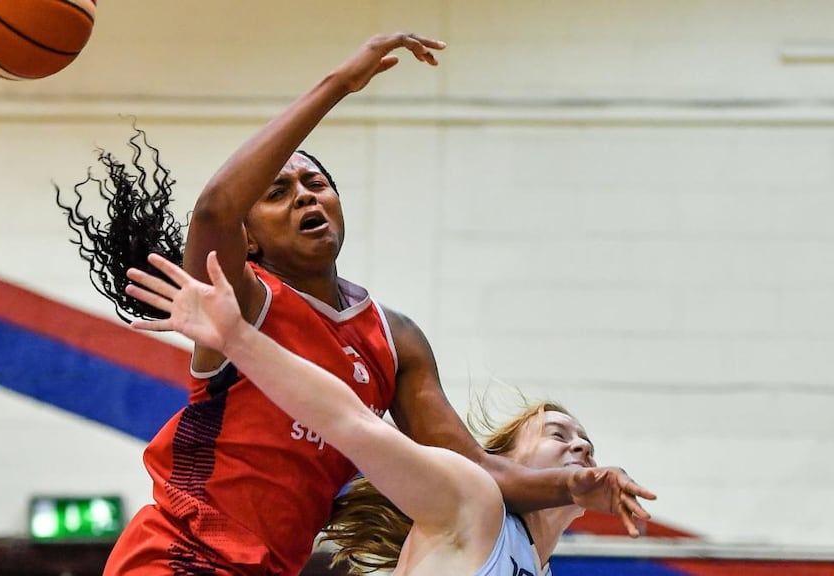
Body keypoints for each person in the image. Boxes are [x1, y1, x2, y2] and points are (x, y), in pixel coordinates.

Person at [57, 32, 655, 576]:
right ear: (250, 238)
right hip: (181, 552)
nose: (304, 197)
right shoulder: (236, 298)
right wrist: (339, 84)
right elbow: (214, 209)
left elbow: (479, 473)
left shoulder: (394, 338)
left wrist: (577, 483)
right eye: (277, 192)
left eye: (316, 184)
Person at [124, 250, 630, 576]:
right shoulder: (473, 501)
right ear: (507, 458)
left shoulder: (537, 568)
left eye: (584, 439)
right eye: (557, 434)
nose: (580, 447)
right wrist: (239, 338)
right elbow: (350, 421)